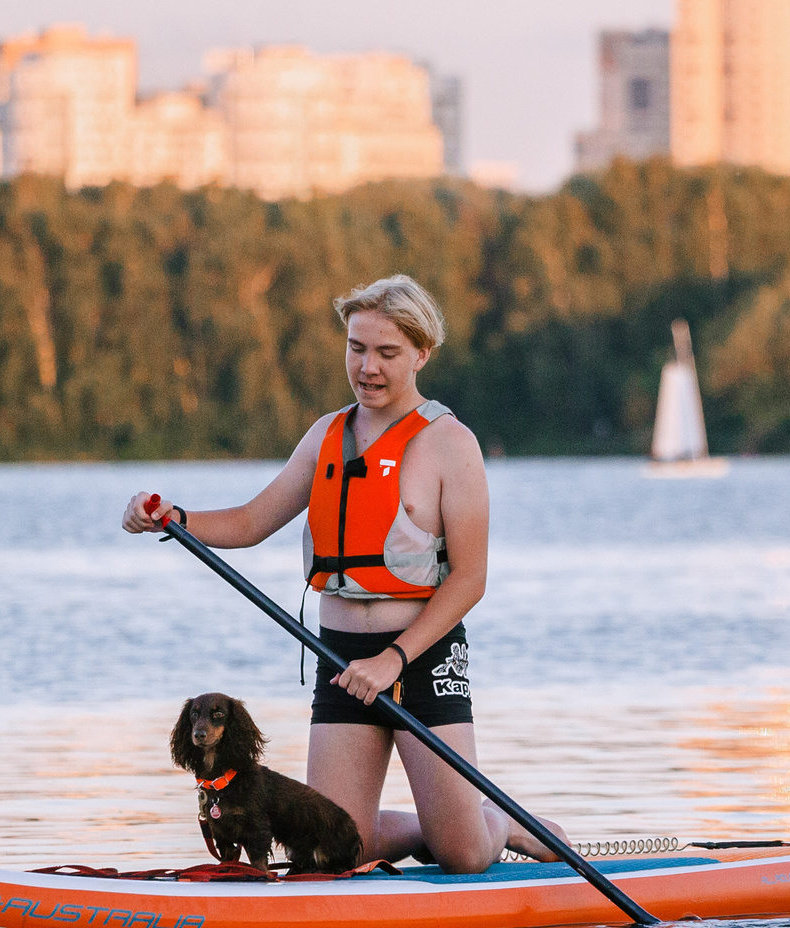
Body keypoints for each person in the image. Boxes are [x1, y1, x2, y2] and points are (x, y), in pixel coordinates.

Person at [123, 273, 562, 874]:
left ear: (421, 354)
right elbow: (252, 520)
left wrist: (393, 661)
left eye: (388, 353)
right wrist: (175, 517)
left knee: (463, 855)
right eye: (357, 349)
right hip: (338, 661)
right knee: (327, 846)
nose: (369, 368)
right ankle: (420, 830)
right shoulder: (326, 435)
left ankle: (498, 824)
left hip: (420, 660)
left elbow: (470, 579)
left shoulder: (450, 444)